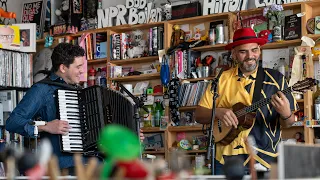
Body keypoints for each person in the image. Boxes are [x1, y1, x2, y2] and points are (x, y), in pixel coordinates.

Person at [5, 43, 145, 173]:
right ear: (63, 68)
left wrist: (130, 134)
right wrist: (46, 126)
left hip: (95, 163)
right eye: (78, 67)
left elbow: (100, 133)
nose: (81, 72)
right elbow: (12, 122)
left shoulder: (83, 92)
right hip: (66, 166)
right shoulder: (42, 90)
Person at [195, 28, 298, 175]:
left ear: (260, 50)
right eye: (243, 52)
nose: (250, 56)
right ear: (234, 54)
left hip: (264, 158)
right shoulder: (221, 79)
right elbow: (199, 115)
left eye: (254, 50)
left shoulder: (276, 79)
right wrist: (218, 112)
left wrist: (286, 114)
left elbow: (288, 123)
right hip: (226, 158)